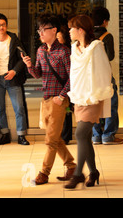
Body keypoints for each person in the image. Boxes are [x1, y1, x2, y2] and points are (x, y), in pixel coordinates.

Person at [22, 13, 76, 185]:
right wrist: (30, 66)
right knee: (55, 138)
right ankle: (71, 166)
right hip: (45, 100)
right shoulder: (40, 51)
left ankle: (44, 173)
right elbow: (38, 74)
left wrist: (62, 96)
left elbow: (72, 77)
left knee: (50, 141)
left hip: (58, 100)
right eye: (39, 30)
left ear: (54, 30)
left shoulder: (64, 51)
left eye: (43, 30)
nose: (40, 33)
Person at [64, 15, 114, 189]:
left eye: (72, 28)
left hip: (93, 97)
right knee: (85, 136)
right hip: (79, 97)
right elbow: (74, 75)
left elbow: (104, 72)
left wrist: (98, 96)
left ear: (80, 30)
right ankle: (93, 172)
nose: (69, 31)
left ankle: (78, 174)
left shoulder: (96, 47)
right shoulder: (74, 48)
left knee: (79, 134)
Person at [0, 13, 29, 145]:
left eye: (3, 24)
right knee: (0, 109)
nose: (1, 27)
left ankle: (21, 135)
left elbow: (23, 58)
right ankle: (4, 134)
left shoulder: (14, 39)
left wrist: (14, 71)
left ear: (6, 25)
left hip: (12, 79)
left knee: (19, 107)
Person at [91, 6, 123, 145]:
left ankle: (96, 135)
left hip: (92, 76)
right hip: (105, 75)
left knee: (94, 104)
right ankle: (108, 135)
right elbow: (111, 56)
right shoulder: (107, 36)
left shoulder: (88, 36)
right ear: (105, 21)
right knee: (111, 104)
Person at [57, 24, 74, 145]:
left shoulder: (67, 51)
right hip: (59, 86)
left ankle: (66, 136)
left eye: (58, 38)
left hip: (67, 86)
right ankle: (61, 135)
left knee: (67, 112)